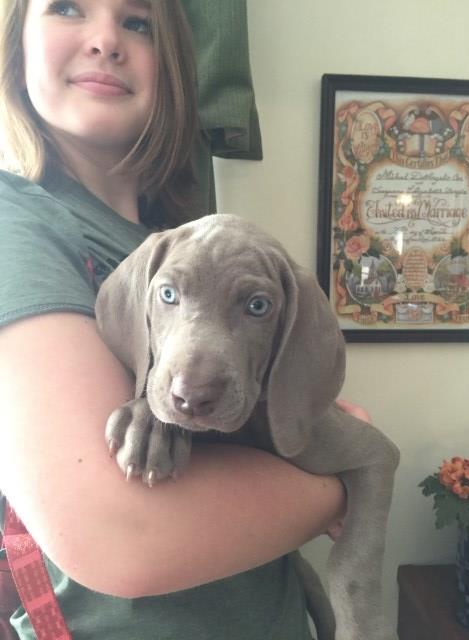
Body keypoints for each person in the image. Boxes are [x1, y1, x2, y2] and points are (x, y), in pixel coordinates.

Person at [0, 1, 371, 638]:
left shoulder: (177, 245)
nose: (105, 41)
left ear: (173, 68)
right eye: (67, 7)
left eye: (138, 22)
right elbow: (121, 539)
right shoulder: (16, 221)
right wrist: (340, 486)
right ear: (15, 46)